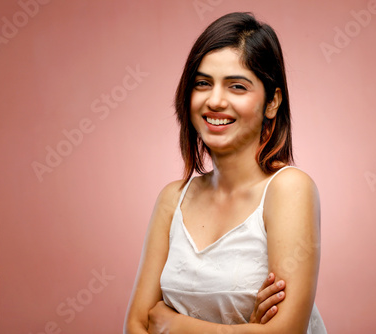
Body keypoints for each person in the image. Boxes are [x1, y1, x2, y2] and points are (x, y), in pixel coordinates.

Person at [124, 12, 327, 334]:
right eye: (203, 83)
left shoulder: (288, 189)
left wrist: (173, 325)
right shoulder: (172, 199)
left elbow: (286, 332)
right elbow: (135, 326)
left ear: (272, 102)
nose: (215, 101)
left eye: (237, 86)